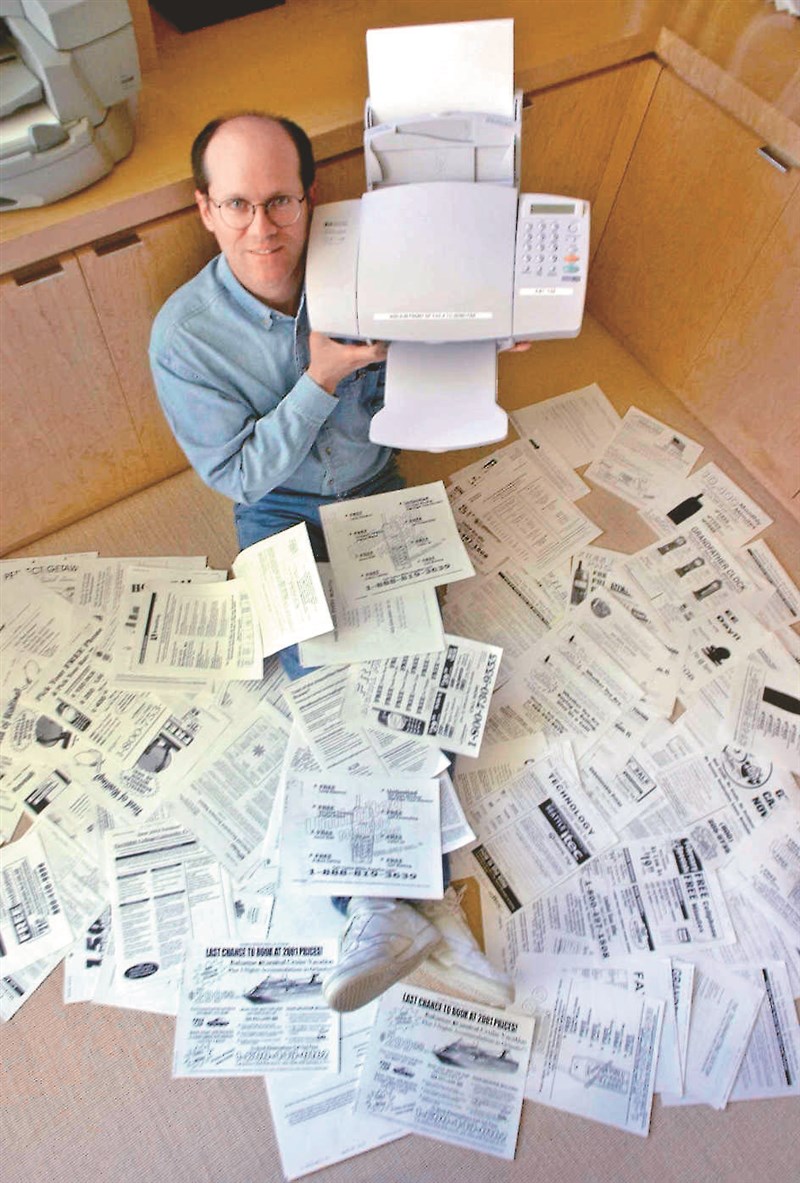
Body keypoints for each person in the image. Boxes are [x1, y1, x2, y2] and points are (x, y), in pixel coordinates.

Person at [149, 111, 511, 1013]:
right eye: (238, 204)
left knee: (416, 668)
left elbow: (420, 373)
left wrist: (482, 341)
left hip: (377, 485)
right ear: (204, 208)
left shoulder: (362, 271)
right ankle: (386, 905)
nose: (262, 229)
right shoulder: (183, 337)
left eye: (280, 201)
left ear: (310, 198)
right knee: (321, 682)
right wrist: (317, 380)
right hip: (277, 508)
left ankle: (394, 903)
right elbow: (238, 472)